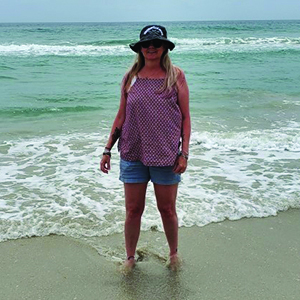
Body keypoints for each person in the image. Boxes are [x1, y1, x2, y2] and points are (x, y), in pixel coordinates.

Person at [100, 25, 191, 271]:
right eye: (147, 44)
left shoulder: (176, 75)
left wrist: (184, 153)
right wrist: (108, 149)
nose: (151, 47)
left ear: (164, 48)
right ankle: (129, 258)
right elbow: (121, 116)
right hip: (133, 152)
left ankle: (173, 254)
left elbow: (185, 118)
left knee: (167, 209)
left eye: (157, 43)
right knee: (133, 210)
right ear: (140, 48)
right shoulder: (131, 77)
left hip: (166, 155)